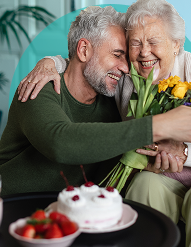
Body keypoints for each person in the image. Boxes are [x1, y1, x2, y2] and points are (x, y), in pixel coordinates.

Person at [17, 1, 191, 246]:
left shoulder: (184, 69)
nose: (141, 54)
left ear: (176, 44)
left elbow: (94, 63)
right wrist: (50, 62)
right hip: (19, 207)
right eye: (133, 45)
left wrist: (184, 152)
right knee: (145, 185)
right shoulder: (124, 78)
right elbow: (84, 68)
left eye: (153, 42)